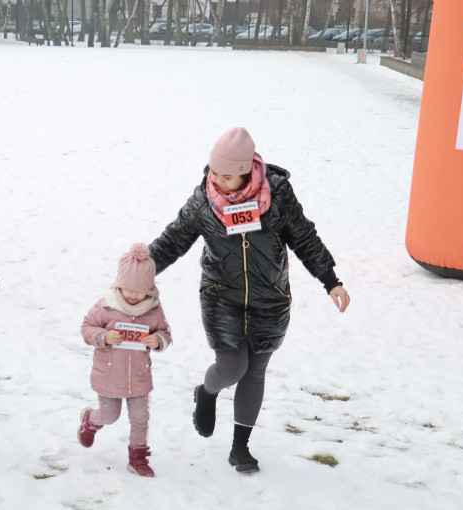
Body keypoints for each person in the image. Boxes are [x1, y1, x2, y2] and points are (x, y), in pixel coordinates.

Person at [148, 127, 350, 474]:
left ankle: (240, 447)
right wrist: (137, 272)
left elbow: (303, 236)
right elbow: (172, 240)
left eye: (226, 175)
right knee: (232, 368)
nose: (218, 180)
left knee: (255, 372)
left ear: (245, 171)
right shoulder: (205, 201)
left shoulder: (278, 195)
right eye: (214, 172)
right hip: (221, 296)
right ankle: (207, 392)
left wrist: (330, 280)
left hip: (269, 297)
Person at [78, 243, 173, 477]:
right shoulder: (106, 306)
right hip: (109, 375)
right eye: (128, 288)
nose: (132, 294)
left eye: (138, 290)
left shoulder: (153, 310)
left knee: (141, 419)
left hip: (139, 376)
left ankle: (137, 458)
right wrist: (103, 337)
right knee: (110, 416)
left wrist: (158, 340)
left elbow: (165, 332)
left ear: (149, 289)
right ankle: (91, 419)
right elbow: (87, 327)